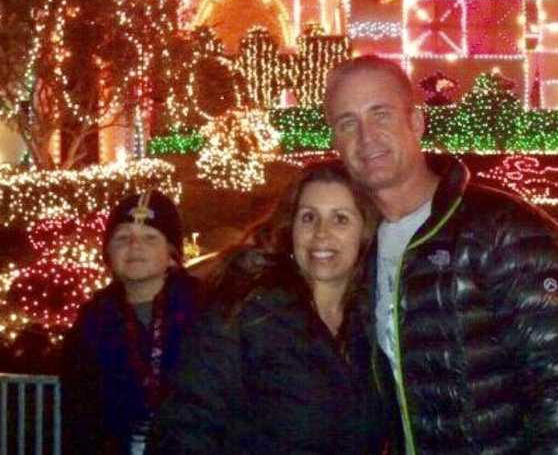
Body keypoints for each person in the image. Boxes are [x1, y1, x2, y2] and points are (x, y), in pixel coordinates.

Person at [324, 55, 558, 455]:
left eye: (381, 114)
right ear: (336, 142)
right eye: (347, 123)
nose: (366, 136)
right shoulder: (361, 249)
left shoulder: (504, 231)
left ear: (417, 123)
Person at [148, 161, 388, 455]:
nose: (321, 233)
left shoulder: (373, 324)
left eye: (340, 219)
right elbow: (186, 425)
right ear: (291, 229)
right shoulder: (245, 312)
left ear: (365, 231)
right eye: (309, 218)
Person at [61, 189, 200, 455]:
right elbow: (79, 414)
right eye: (123, 237)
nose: (135, 246)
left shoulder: (208, 309)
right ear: (108, 253)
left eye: (150, 237)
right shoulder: (92, 321)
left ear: (172, 253)